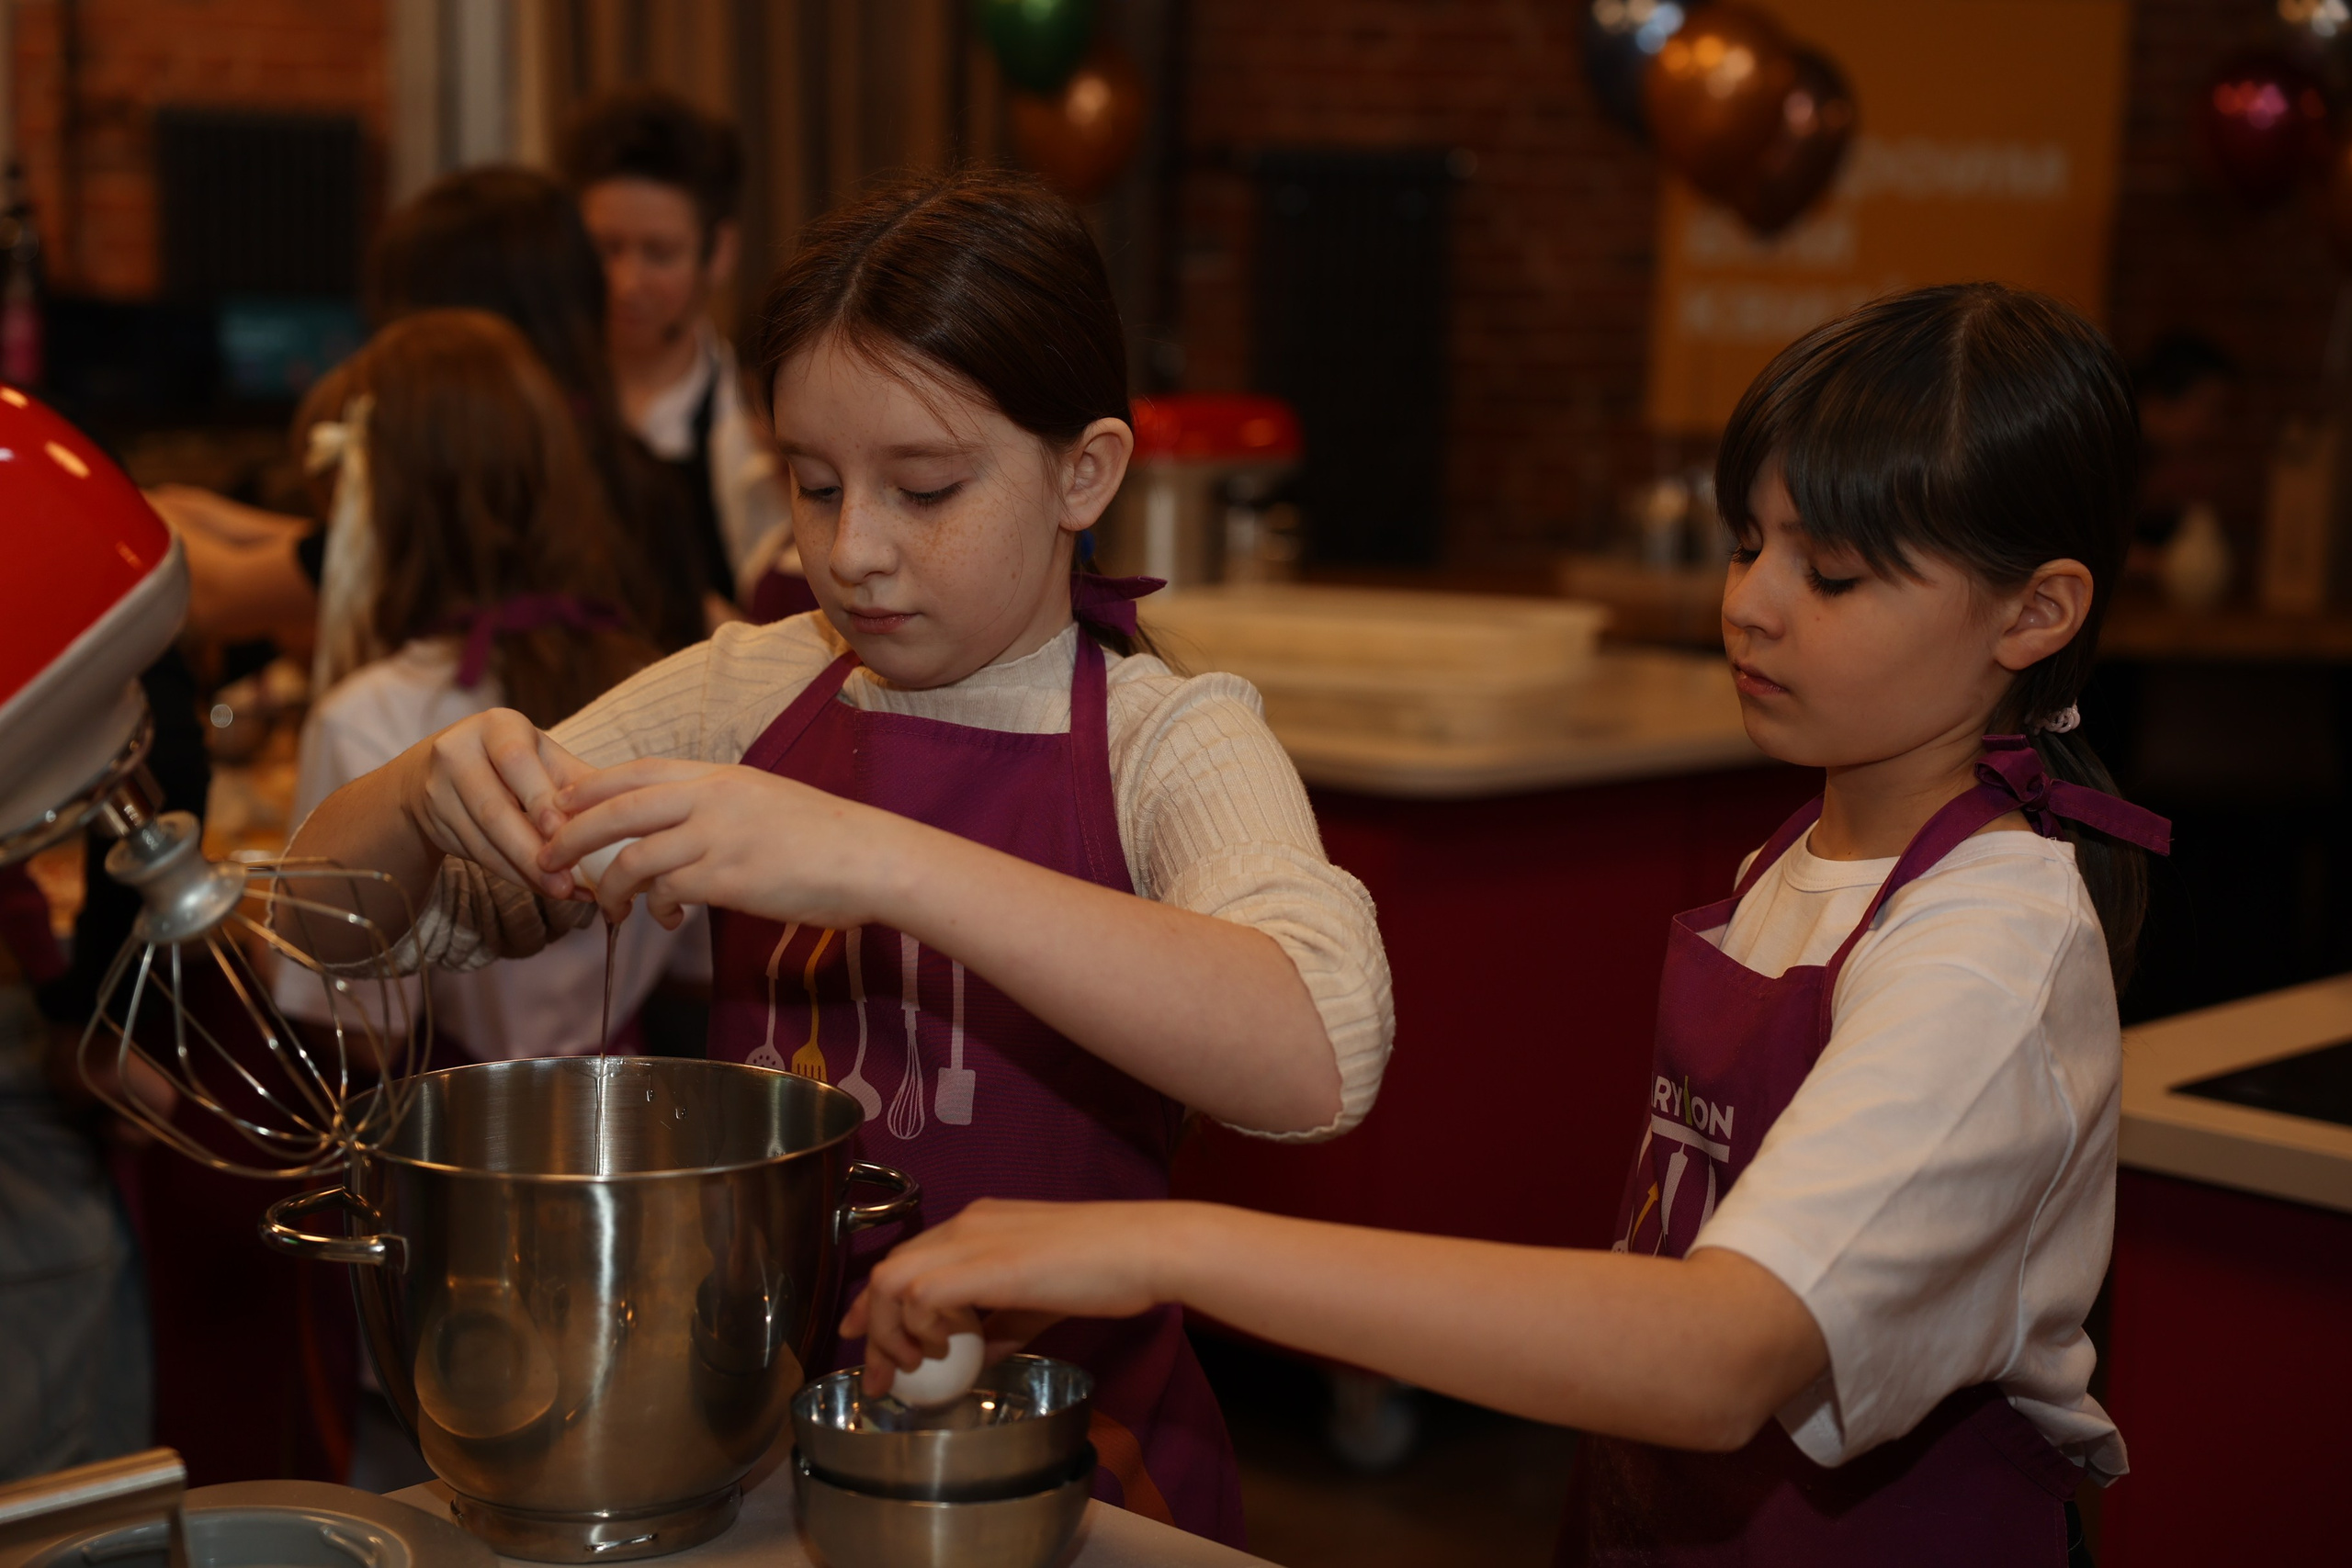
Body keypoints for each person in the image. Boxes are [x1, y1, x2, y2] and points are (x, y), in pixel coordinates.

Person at [844, 284, 2172, 1566]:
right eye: (1747, 541)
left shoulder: (1989, 951)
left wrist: (1151, 1244)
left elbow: (1719, 1352)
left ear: (2036, 610)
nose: (1751, 601)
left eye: (1829, 571)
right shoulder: (1808, 848)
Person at [276, 170, 1394, 1548]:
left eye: (925, 488)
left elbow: (1320, 1046)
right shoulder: (749, 687)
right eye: (812, 483)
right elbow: (329, 927)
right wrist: (411, 790)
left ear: (1083, 473)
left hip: (1066, 1474)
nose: (851, 551)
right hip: (753, 1460)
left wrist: (875, 856)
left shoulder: (1170, 741)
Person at [269, 309, 703, 1064]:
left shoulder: (367, 719)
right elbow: (695, 959)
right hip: (635, 1104)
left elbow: (359, 1029)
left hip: (457, 1128)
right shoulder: (654, 681)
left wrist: (253, 933)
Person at [163, 166, 721, 656]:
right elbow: (331, 550)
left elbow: (214, 598)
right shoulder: (631, 473)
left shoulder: (471, 493)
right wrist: (203, 513)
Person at [561, 88, 794, 612]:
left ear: (720, 253)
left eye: (659, 253)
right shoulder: (538, 410)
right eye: (606, 249)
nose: (625, 283)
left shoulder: (762, 430)